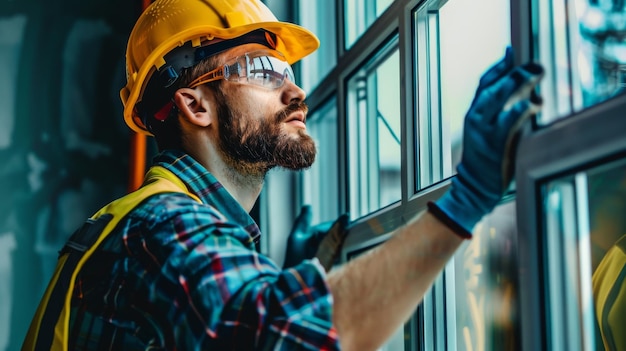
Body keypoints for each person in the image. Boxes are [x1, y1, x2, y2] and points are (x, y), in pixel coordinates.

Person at [23, 0, 544, 349]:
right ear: (194, 105)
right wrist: (465, 201)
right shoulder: (163, 228)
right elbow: (296, 335)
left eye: (287, 73)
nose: (296, 93)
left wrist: (274, 281)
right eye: (264, 72)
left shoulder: (145, 222)